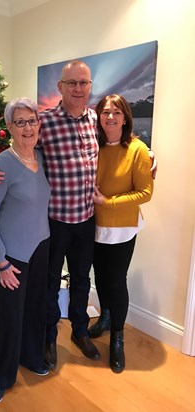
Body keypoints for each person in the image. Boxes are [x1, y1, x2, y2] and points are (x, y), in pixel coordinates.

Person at [0, 60, 157, 371]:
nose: (79, 88)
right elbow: (19, 149)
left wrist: (151, 157)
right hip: (54, 222)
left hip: (87, 220)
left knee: (80, 280)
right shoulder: (44, 122)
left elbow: (125, 142)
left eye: (84, 83)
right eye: (72, 83)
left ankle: (79, 331)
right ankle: (49, 336)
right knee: (50, 282)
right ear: (59, 87)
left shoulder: (97, 120)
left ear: (90, 87)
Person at [0, 97, 51, 403]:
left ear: (39, 124)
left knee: (35, 308)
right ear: (9, 127)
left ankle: (32, 358)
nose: (27, 127)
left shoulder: (42, 157)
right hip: (13, 256)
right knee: (10, 318)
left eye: (31, 120)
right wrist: (1, 263)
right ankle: (2, 375)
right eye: (20, 122)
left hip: (42, 246)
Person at [88, 94, 153, 373]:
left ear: (125, 117)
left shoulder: (138, 149)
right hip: (93, 225)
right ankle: (105, 316)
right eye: (105, 112)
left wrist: (108, 202)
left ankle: (117, 337)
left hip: (122, 228)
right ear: (98, 117)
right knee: (99, 277)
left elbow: (145, 193)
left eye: (116, 112)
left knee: (116, 281)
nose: (110, 117)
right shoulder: (94, 146)